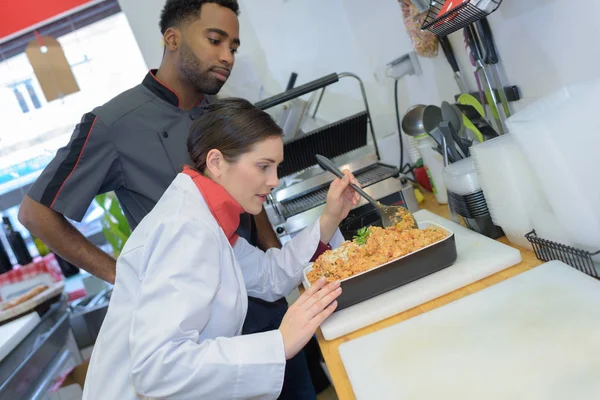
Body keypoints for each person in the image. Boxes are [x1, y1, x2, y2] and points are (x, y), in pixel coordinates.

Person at [18, 1, 323, 397]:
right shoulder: (115, 123)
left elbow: (250, 201)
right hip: (194, 332)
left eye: (233, 46)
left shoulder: (220, 112)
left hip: (262, 303)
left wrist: (278, 266)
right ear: (172, 38)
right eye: (215, 40)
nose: (227, 56)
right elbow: (35, 213)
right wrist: (123, 276)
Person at [81, 98, 359, 399]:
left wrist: (331, 216)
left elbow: (270, 276)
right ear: (216, 162)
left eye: (276, 167)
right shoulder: (186, 229)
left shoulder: (207, 219)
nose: (274, 180)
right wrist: (279, 343)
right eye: (263, 166)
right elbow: (156, 367)